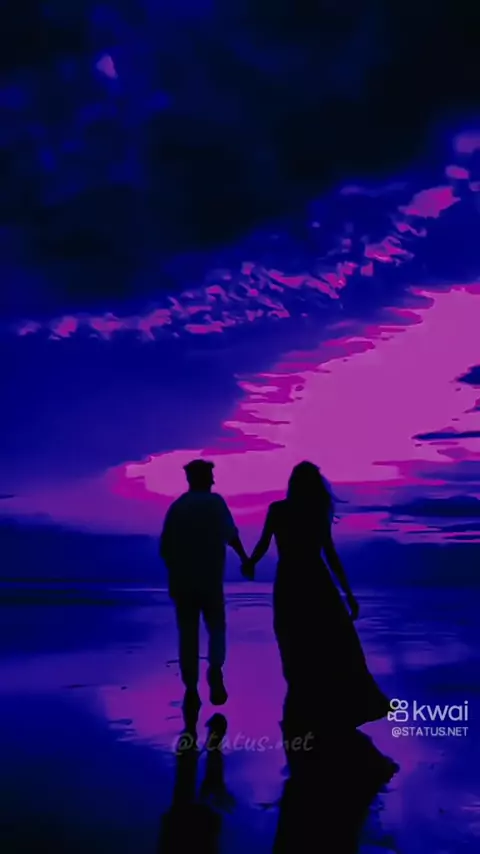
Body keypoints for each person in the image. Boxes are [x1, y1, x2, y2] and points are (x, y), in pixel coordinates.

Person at [248, 461, 390, 728]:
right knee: (328, 639)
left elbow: (264, 544)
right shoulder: (316, 512)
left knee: (293, 637)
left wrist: (250, 562)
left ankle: (303, 701)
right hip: (315, 579)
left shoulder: (279, 510)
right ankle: (322, 703)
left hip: (290, 580)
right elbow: (330, 555)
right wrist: (348, 593)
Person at [160, 459, 250, 706]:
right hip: (210, 580)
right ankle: (215, 669)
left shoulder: (177, 507)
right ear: (203, 478)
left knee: (188, 634)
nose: (213, 480)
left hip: (182, 583)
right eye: (210, 475)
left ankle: (191, 688)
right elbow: (231, 535)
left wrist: (177, 571)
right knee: (216, 628)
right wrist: (245, 559)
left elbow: (165, 548)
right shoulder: (215, 503)